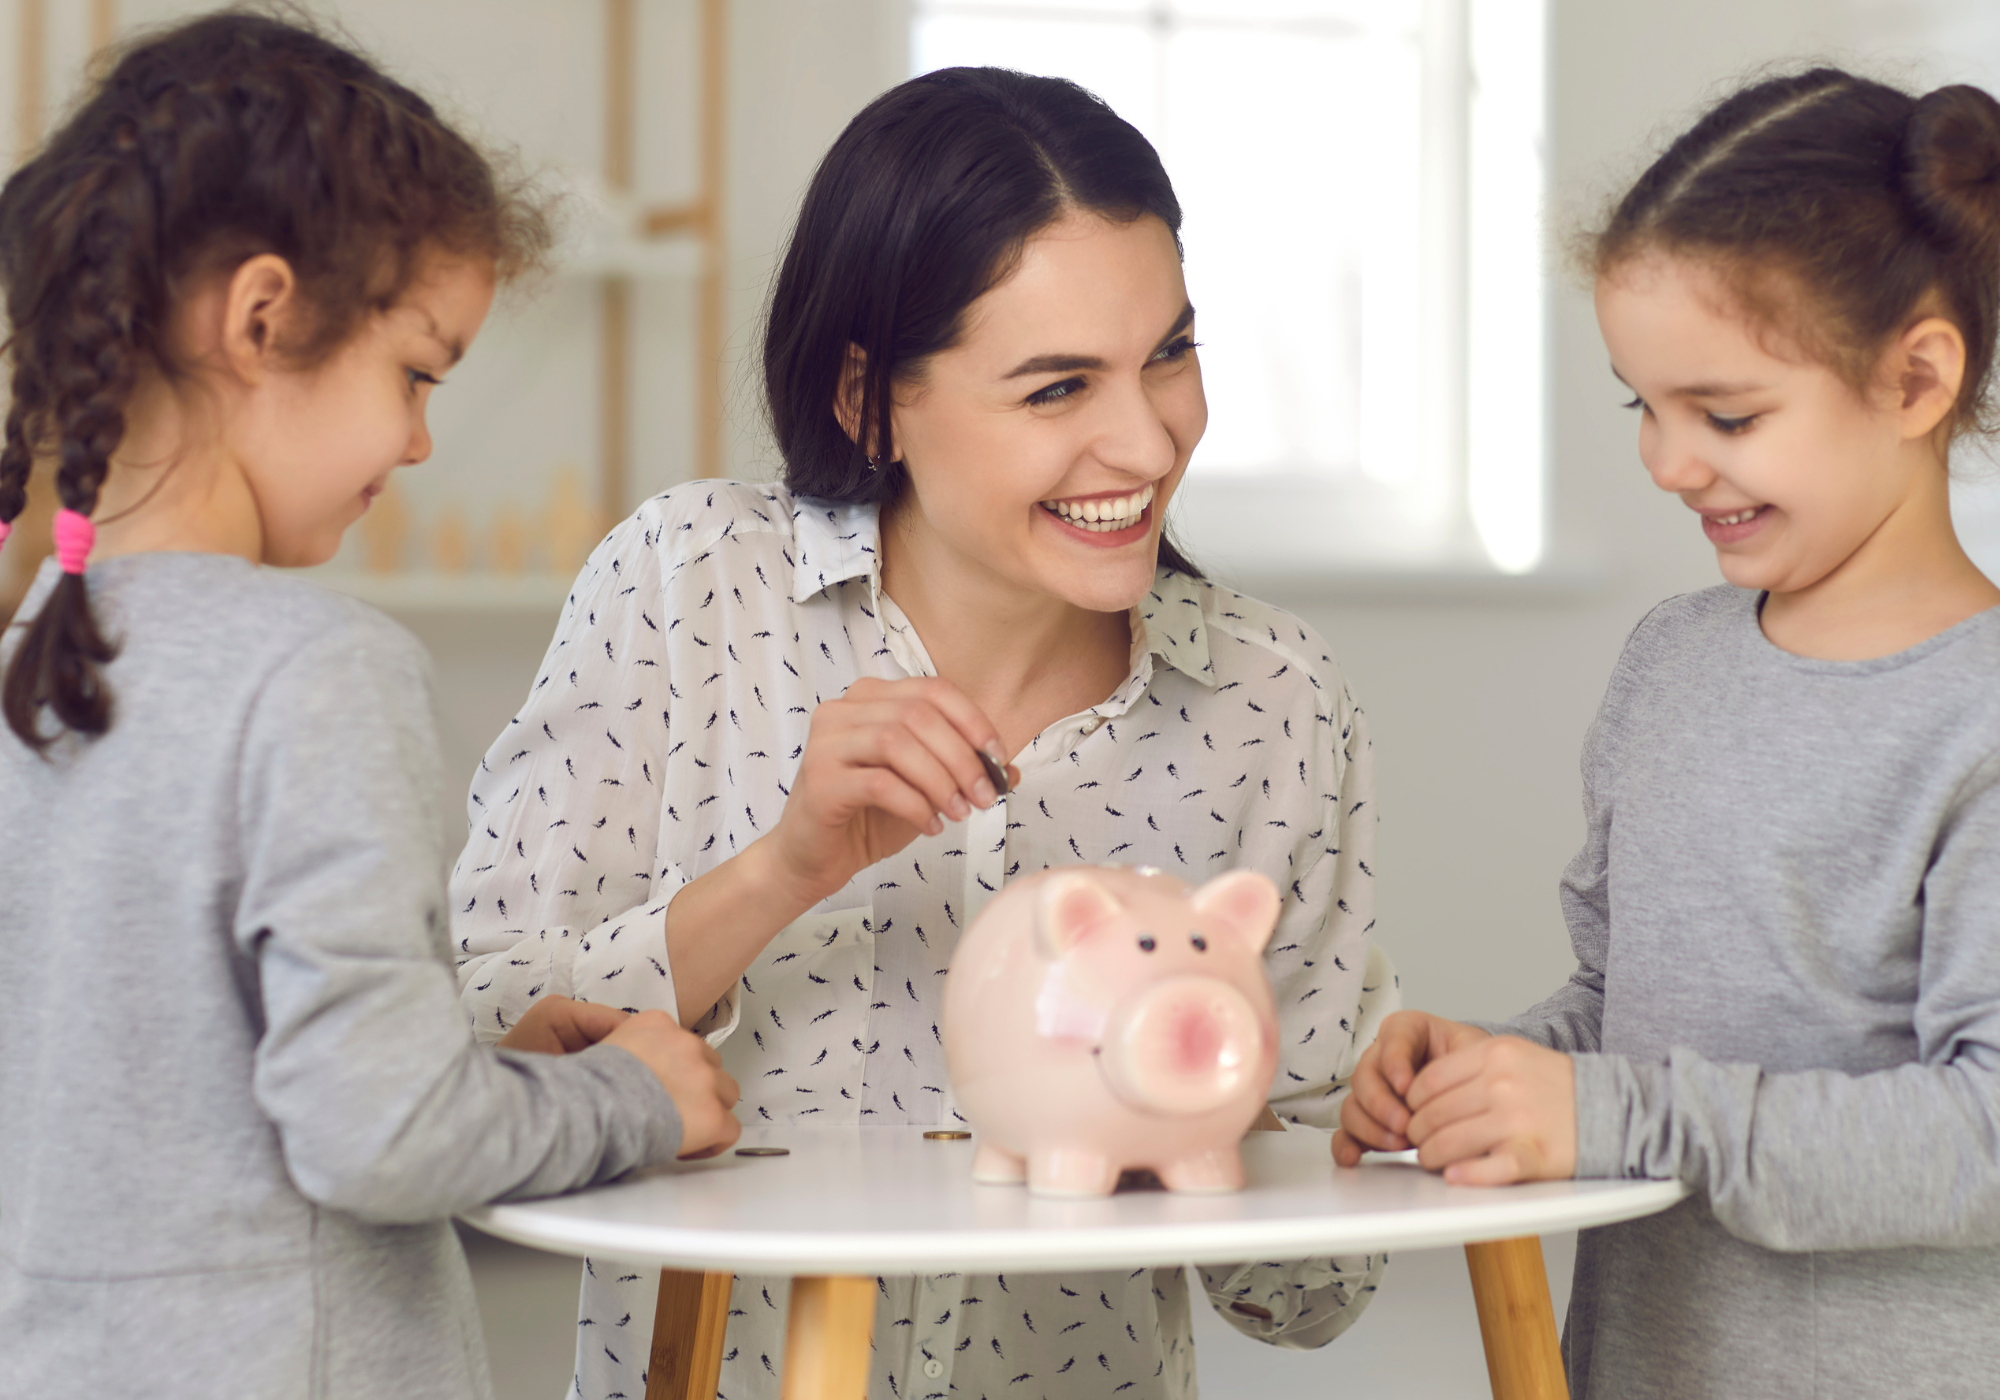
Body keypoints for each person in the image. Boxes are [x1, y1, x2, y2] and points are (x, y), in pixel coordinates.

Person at [453, 66, 1395, 1400]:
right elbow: (468, 1041)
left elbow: (1312, 1295)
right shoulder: (683, 587)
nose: (1146, 438)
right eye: (1058, 387)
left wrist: (1208, 1089)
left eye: (1170, 355)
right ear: (867, 401)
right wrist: (778, 874)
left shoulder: (1271, 699)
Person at [0, 16, 740, 1400]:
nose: (417, 439)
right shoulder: (316, 668)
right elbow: (380, 1142)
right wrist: (633, 1101)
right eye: (415, 372)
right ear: (263, 316)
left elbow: (186, 1080)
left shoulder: (37, 641)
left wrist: (479, 1070)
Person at [1332, 67, 2000, 1399]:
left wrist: (1608, 1114)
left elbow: (1983, 1138)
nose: (1668, 463)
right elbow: (1624, 1012)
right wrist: (1495, 1071)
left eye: (1728, 416)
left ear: (1918, 378)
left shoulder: (1977, 718)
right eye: (1643, 405)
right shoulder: (1672, 664)